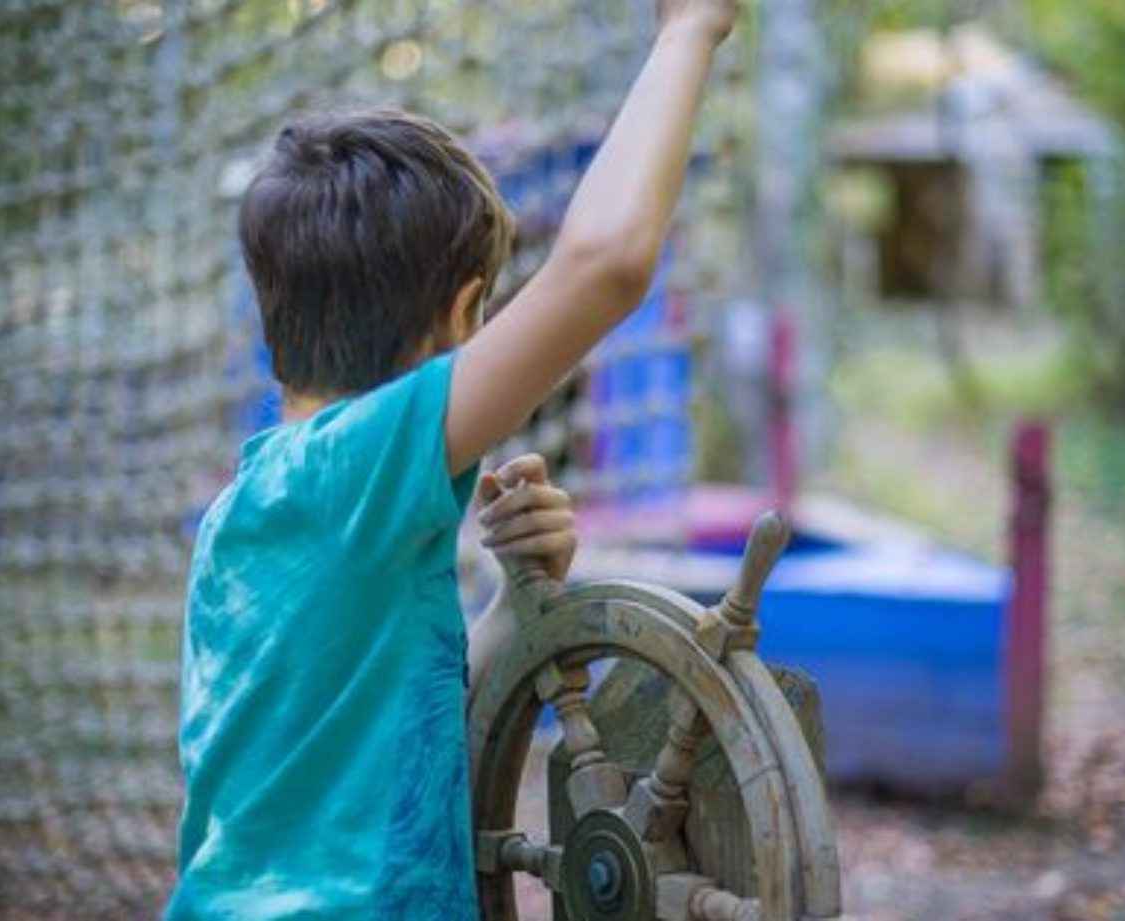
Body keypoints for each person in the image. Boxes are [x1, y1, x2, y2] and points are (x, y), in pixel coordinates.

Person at [165, 1, 738, 917]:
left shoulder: (247, 508)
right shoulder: (357, 465)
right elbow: (606, 265)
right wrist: (688, 33)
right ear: (463, 313)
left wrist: (517, 598)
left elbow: (382, 720)